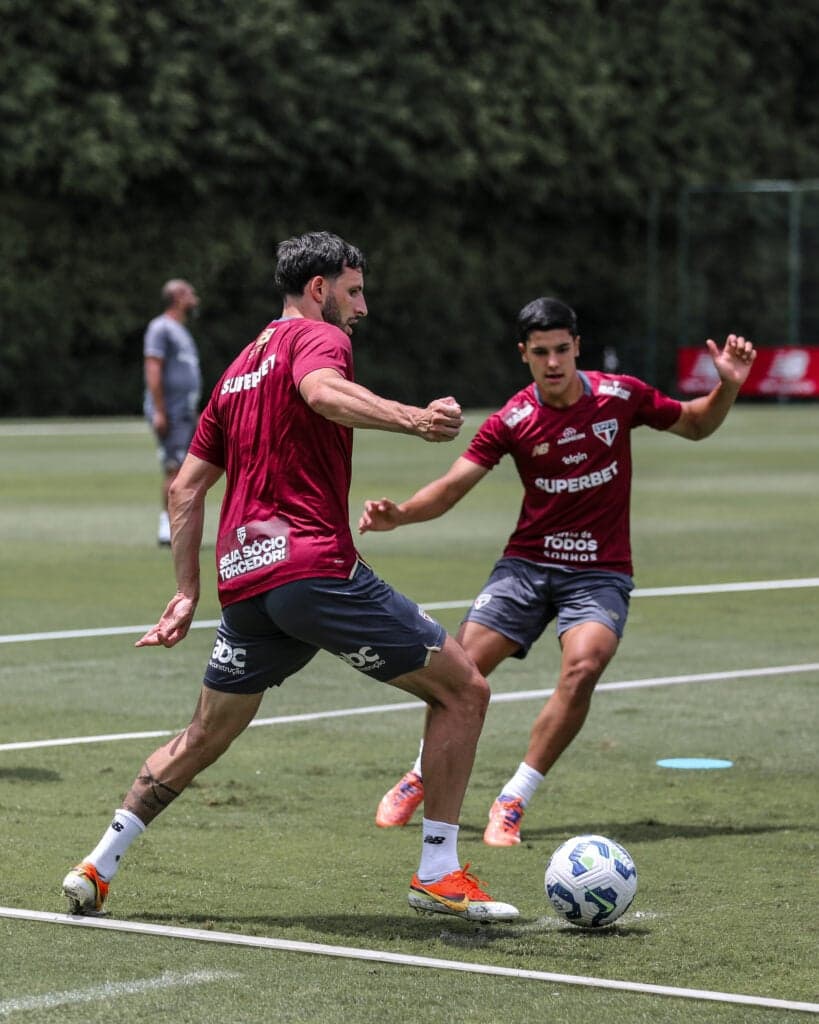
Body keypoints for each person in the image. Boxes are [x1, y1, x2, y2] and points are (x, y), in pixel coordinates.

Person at [62, 231, 517, 923]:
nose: (360, 306)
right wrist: (414, 419)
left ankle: (98, 865)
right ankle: (438, 870)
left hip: (245, 585)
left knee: (204, 735)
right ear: (318, 289)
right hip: (312, 571)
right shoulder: (318, 340)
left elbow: (185, 490)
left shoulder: (237, 368)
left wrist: (186, 592)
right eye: (354, 290)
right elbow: (324, 393)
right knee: (464, 689)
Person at [360, 297, 756, 846]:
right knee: (461, 672)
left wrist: (728, 385)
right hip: (525, 568)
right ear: (524, 354)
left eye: (562, 350)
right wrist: (400, 514)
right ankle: (420, 775)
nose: (553, 362)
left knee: (584, 666)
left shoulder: (620, 396)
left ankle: (514, 797)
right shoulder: (512, 420)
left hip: (600, 573)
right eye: (540, 352)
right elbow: (452, 487)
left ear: (577, 347)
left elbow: (695, 425)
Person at [143, 278, 202, 545]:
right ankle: (166, 528)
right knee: (174, 468)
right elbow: (153, 367)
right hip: (171, 410)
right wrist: (159, 410)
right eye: (189, 292)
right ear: (177, 297)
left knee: (187, 469)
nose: (194, 296)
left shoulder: (180, 329)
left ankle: (182, 524)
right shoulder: (161, 327)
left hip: (185, 410)